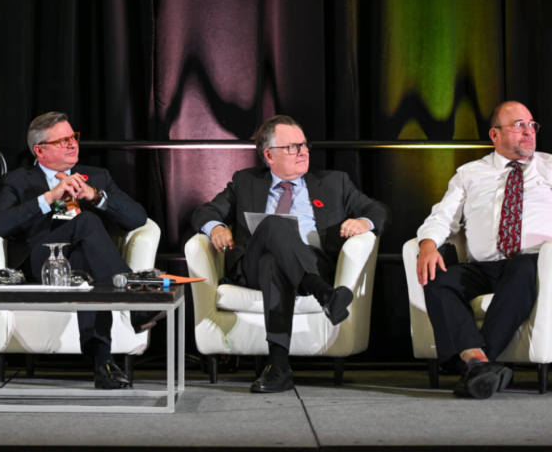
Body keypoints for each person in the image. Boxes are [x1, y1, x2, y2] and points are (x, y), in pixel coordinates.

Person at [191, 115, 390, 393]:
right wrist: (215, 228)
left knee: (274, 261)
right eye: (293, 147)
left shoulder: (334, 182)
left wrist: (363, 222)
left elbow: (377, 209)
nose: (304, 151)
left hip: (312, 261)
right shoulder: (245, 181)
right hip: (251, 271)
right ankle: (324, 294)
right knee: (273, 224)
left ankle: (278, 366)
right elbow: (205, 212)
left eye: (305, 145)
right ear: (269, 155)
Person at [0, 112, 157, 389]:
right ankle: (135, 301)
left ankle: (104, 364)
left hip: (85, 263)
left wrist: (96, 196)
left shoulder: (98, 177)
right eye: (62, 140)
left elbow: (138, 218)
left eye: (73, 137)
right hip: (41, 263)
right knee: (87, 220)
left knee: (85, 267)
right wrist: (49, 197)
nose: (72, 145)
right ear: (39, 150)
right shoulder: (18, 180)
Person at [417, 101, 552, 400]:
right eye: (519, 125)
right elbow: (442, 217)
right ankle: (481, 367)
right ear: (494, 135)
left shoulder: (549, 167)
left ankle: (475, 364)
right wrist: (427, 245)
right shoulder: (469, 173)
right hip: (484, 266)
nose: (528, 132)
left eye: (532, 125)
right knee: (437, 279)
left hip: (536, 263)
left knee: (522, 267)